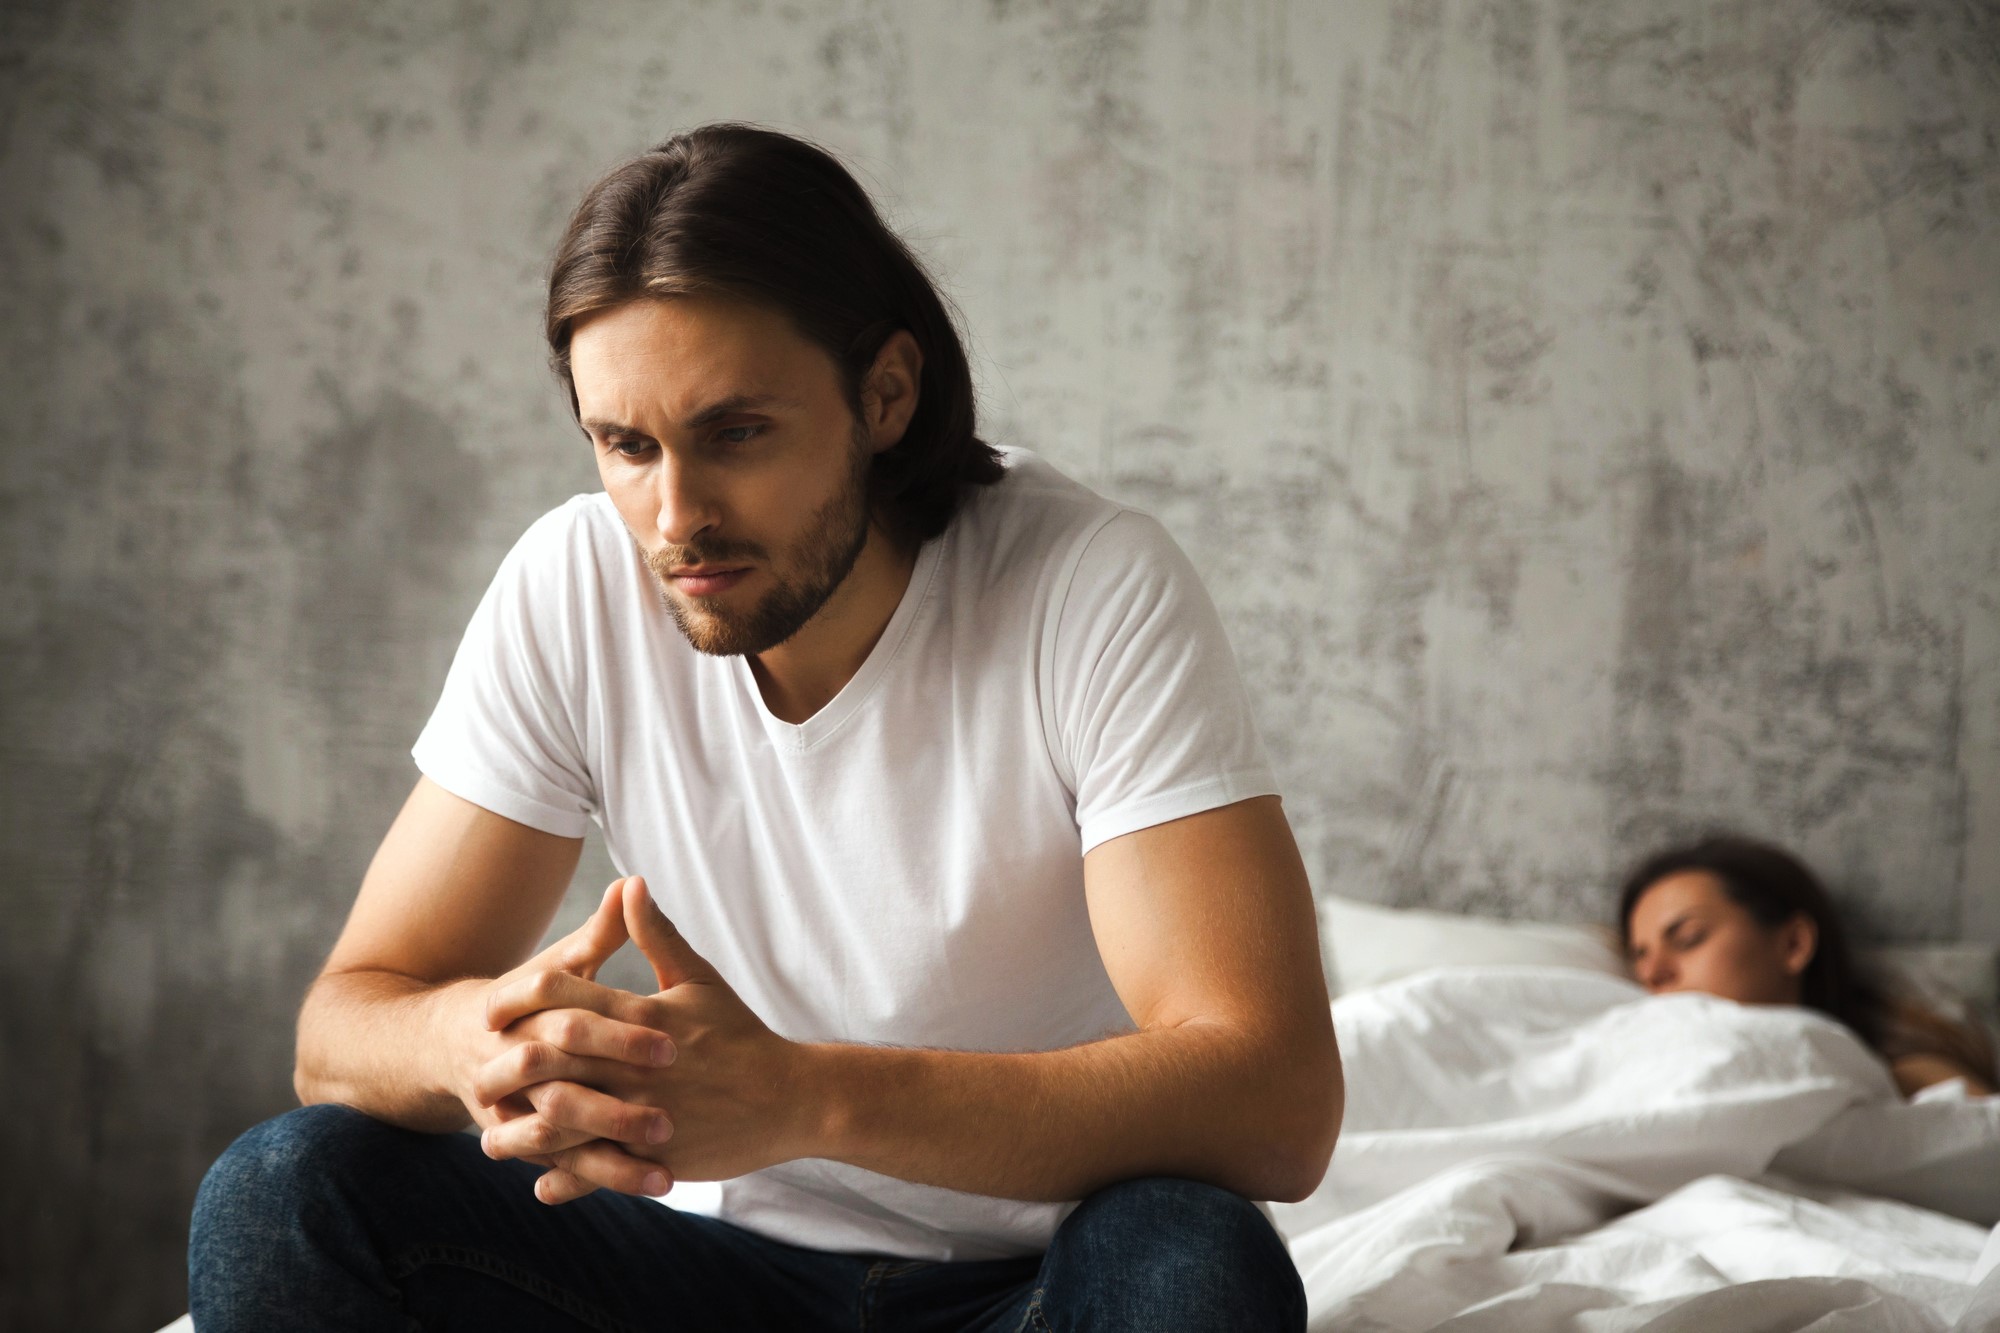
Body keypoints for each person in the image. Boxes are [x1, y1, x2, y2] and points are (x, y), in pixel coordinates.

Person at [188, 123, 1339, 1331]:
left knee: (1186, 1253)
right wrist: (486, 1042)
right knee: (284, 1185)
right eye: (625, 447)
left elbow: (1273, 1102)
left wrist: (806, 1100)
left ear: (885, 394)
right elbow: (341, 1031)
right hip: (717, 1282)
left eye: (736, 433)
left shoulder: (1088, 587)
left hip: (1041, 1277)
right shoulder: (572, 586)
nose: (676, 518)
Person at [1618, 835, 1996, 1098]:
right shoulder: (1622, 1070)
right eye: (1640, 955)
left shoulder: (1904, 1081)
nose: (1653, 974)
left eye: (1688, 938)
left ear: (1794, 944)